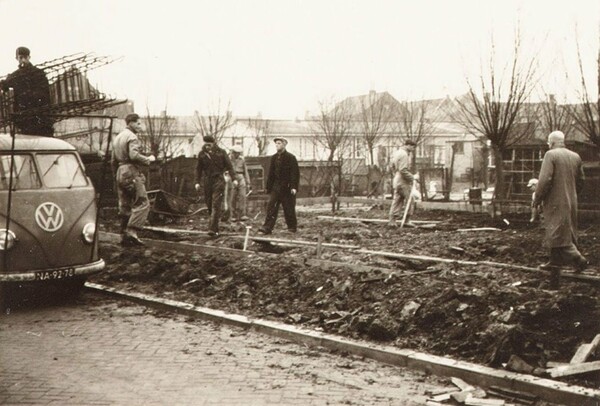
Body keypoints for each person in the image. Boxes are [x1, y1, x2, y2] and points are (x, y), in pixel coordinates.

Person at [533, 130, 588, 288]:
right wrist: (571, 193)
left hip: (555, 200)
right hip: (571, 199)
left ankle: (578, 259)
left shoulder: (551, 155)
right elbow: (581, 180)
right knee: (564, 229)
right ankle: (554, 261)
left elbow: (545, 179)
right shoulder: (575, 156)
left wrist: (537, 198)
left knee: (556, 230)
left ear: (551, 142)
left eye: (548, 143)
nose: (548, 145)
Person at [111, 113, 156, 246]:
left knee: (125, 204)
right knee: (142, 202)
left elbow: (113, 160)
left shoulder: (118, 137)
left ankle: (123, 234)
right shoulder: (132, 136)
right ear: (130, 123)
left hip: (120, 171)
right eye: (138, 123)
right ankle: (131, 232)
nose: (139, 126)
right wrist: (148, 159)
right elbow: (134, 154)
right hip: (131, 171)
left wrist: (116, 176)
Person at [0, 46, 54, 136]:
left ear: (29, 57)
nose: (23, 60)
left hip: (39, 115)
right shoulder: (15, 75)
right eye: (21, 57)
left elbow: (45, 94)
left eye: (25, 57)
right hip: (24, 117)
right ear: (17, 58)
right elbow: (5, 84)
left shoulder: (38, 73)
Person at [194, 135, 235, 237]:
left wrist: (234, 179)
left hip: (219, 180)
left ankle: (213, 229)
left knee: (216, 204)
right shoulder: (202, 154)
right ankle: (214, 225)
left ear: (213, 143)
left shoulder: (221, 152)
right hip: (207, 181)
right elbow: (198, 169)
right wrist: (197, 182)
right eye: (206, 144)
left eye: (209, 144)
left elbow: (230, 166)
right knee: (209, 203)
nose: (207, 146)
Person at [258, 137, 299, 234]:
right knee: (271, 207)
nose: (277, 145)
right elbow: (271, 174)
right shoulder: (274, 158)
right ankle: (267, 228)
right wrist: (268, 187)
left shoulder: (291, 158)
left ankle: (292, 228)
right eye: (276, 144)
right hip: (276, 187)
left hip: (287, 188)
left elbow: (295, 173)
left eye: (279, 143)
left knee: (289, 208)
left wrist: (294, 187)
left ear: (284, 145)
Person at [388, 140, 418, 226]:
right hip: (403, 180)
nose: (413, 149)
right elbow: (403, 170)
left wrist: (396, 174)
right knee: (410, 200)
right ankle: (407, 220)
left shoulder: (397, 153)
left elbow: (392, 166)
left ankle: (392, 221)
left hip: (397, 179)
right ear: (408, 145)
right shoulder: (404, 154)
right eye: (412, 147)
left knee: (397, 200)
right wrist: (413, 177)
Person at [228, 144, 252, 221]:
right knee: (232, 197)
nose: (237, 154)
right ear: (233, 152)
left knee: (242, 196)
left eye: (238, 153)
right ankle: (233, 215)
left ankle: (243, 215)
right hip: (231, 177)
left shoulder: (242, 160)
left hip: (241, 177)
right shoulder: (228, 160)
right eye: (235, 152)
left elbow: (245, 171)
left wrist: (248, 182)